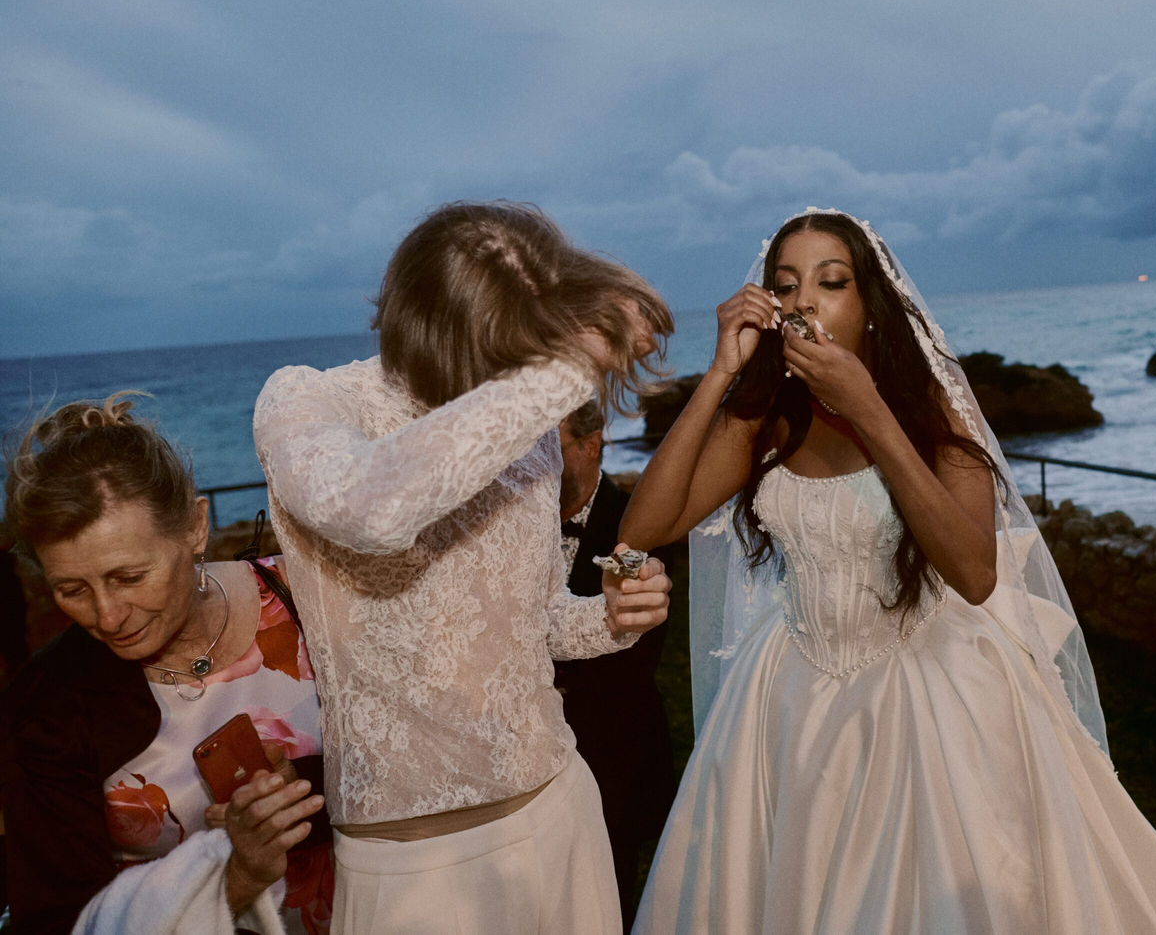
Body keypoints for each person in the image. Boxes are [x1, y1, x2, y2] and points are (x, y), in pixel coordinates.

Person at [621, 209, 1156, 933]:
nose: (804, 302)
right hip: (786, 700)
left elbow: (975, 571)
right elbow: (643, 527)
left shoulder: (929, 409)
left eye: (832, 281)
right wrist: (724, 370)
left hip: (925, 698)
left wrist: (871, 412)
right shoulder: (767, 416)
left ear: (871, 304)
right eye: (786, 285)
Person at [251, 201, 676, 935]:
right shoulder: (308, 398)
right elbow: (372, 509)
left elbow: (536, 625)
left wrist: (608, 615)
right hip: (413, 871)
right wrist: (563, 369)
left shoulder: (534, 438)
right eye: (513, 349)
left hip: (558, 819)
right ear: (434, 325)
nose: (520, 375)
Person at [0, 394, 332, 935]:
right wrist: (232, 876)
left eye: (129, 577)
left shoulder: (308, 601)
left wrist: (301, 787)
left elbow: (425, 754)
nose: (107, 616)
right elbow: (58, 921)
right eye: (72, 589)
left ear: (195, 527)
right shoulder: (46, 710)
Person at [554, 401, 676, 927]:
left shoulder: (630, 527)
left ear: (591, 444)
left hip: (612, 757)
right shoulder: (515, 527)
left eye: (549, 449)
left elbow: (639, 637)